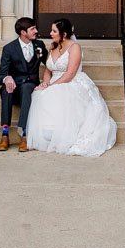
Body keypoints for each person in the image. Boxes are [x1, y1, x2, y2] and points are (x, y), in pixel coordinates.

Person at [23, 19, 117, 156]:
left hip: (70, 81)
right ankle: (50, 137)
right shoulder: (53, 47)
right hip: (54, 81)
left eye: (54, 31)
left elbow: (71, 73)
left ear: (64, 34)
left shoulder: (74, 47)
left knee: (57, 94)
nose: (50, 33)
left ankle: (64, 136)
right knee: (39, 93)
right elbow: (48, 69)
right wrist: (45, 83)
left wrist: (52, 86)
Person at [0, 17, 47, 151]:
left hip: (30, 85)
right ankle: (5, 135)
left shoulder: (39, 45)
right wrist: (7, 78)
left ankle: (24, 134)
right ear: (23, 32)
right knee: (7, 89)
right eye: (32, 29)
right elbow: (0, 75)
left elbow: (50, 63)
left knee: (27, 87)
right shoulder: (9, 48)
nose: (36, 31)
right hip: (15, 87)